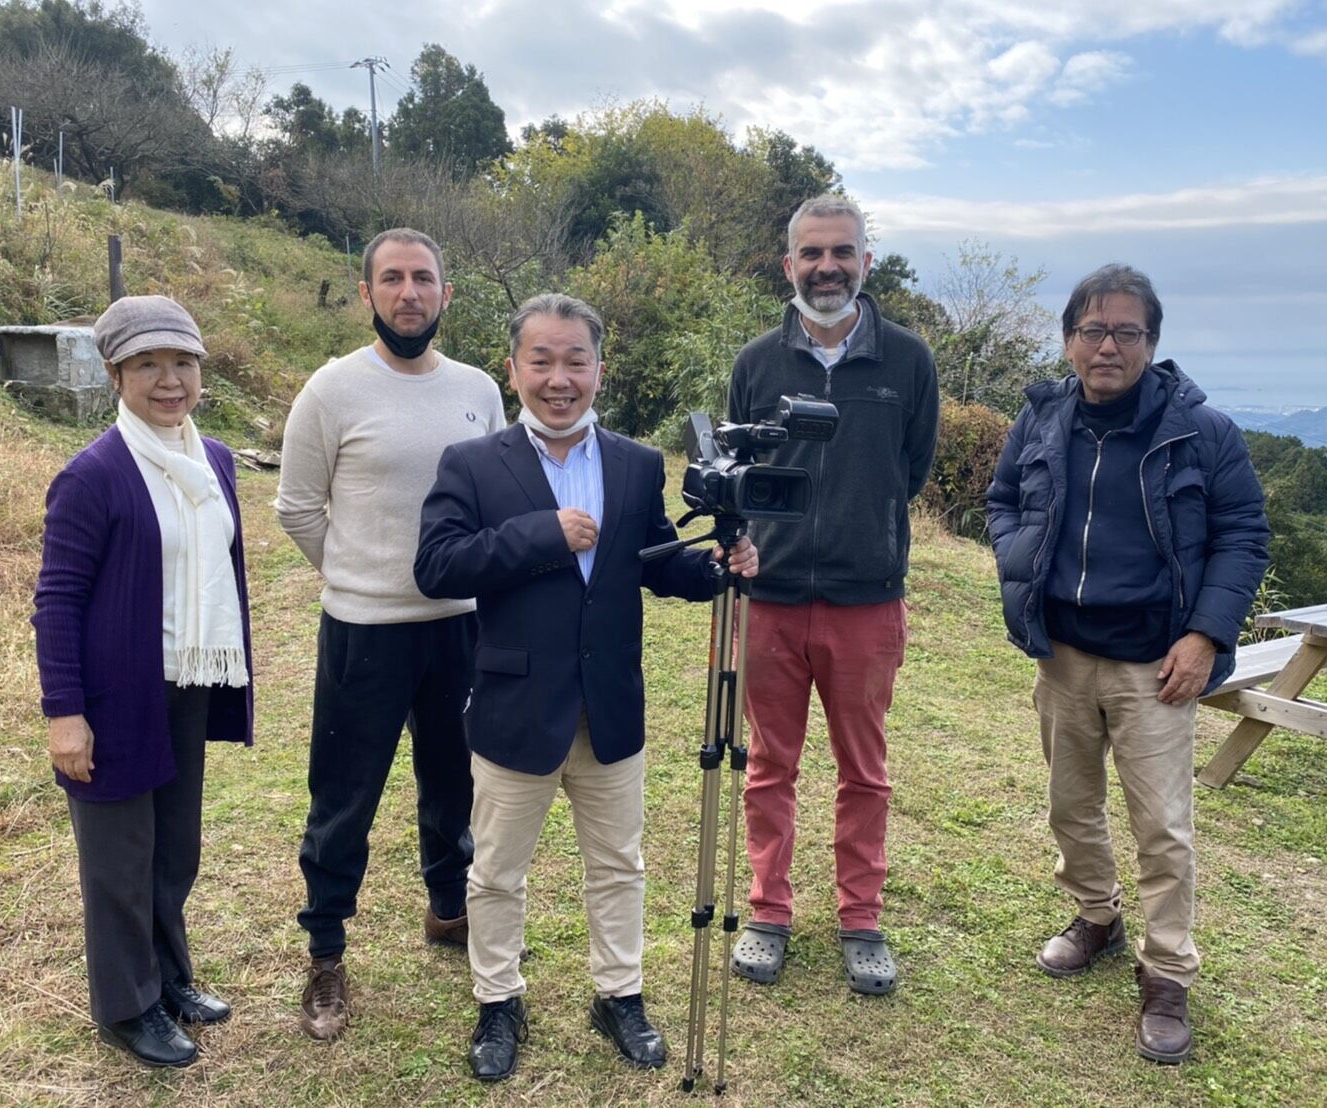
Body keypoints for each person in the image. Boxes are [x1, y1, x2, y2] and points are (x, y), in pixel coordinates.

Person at [414, 293, 758, 1082]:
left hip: (609, 708)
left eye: (576, 361)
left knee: (618, 865)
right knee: (495, 872)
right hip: (514, 708)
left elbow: (655, 561)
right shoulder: (473, 463)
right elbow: (437, 566)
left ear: (600, 370)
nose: (559, 378)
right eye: (542, 360)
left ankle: (619, 994)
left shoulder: (635, 463)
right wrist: (543, 534)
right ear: (513, 369)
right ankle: (498, 1000)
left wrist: (715, 568)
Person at [986, 263, 1269, 1063]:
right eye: (1093, 330)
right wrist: (1018, 556)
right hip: (1064, 652)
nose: (1107, 346)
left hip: (1157, 662)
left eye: (1126, 332)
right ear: (1068, 340)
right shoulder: (1043, 418)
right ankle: (1096, 916)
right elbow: (1002, 500)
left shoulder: (1200, 431)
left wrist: (1206, 635)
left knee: (1163, 828)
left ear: (1151, 342)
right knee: (1070, 805)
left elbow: (1243, 535)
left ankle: (1168, 972)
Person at [275, 228, 506, 1040]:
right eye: (393, 279)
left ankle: (448, 908)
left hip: (460, 627)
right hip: (364, 630)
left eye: (424, 279)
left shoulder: (479, 390)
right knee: (344, 798)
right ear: (367, 292)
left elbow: (495, 502)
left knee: (455, 785)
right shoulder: (332, 390)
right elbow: (297, 507)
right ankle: (326, 954)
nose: (410, 293)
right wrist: (355, 573)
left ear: (447, 294)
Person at [32, 295, 254, 1068]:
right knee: (119, 861)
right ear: (115, 374)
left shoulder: (214, 459)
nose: (170, 380)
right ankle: (128, 1008)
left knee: (173, 849)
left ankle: (168, 978)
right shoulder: (92, 475)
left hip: (186, 684)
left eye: (183, 363)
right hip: (116, 695)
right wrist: (65, 713)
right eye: (148, 364)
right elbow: (58, 599)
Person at [726, 194, 939, 995]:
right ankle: (769, 912)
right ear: (789, 264)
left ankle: (861, 919)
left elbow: (910, 470)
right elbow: (740, 471)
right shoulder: (755, 363)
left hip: (866, 601)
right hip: (771, 598)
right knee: (768, 767)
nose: (827, 267)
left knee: (865, 773)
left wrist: (860, 531)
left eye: (842, 252)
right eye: (812, 253)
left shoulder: (908, 361)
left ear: (865, 262)